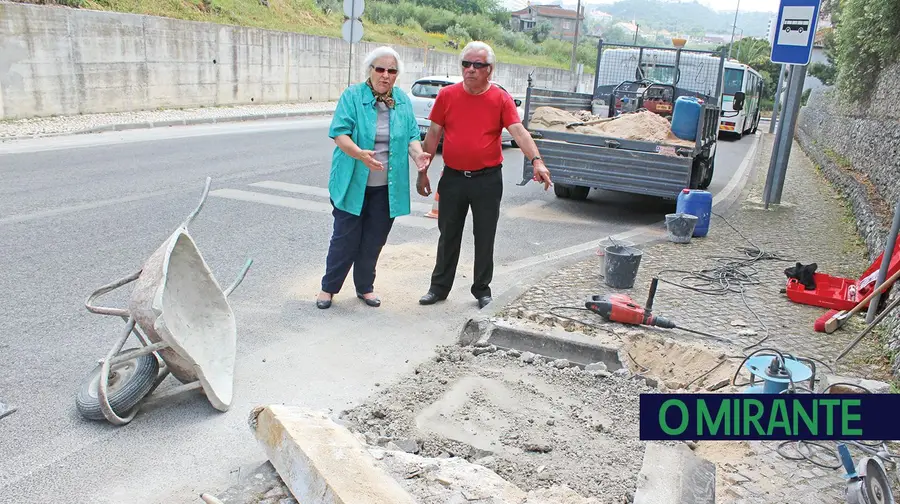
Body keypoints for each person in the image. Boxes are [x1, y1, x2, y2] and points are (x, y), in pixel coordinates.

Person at [416, 41, 552, 309]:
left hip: (487, 180)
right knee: (448, 234)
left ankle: (481, 289)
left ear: (490, 69)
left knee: (485, 235)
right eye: (466, 64)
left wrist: (537, 161)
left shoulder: (500, 99)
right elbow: (433, 134)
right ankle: (439, 288)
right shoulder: (447, 95)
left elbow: (519, 132)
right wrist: (423, 172)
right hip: (453, 178)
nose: (470, 69)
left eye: (478, 65)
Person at [317, 46, 431, 309]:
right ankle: (328, 288)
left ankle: (365, 287)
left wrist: (418, 156)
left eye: (392, 71)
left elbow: (412, 136)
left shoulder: (401, 100)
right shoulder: (353, 96)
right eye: (380, 69)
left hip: (385, 188)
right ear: (369, 70)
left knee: (374, 239)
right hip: (352, 182)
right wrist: (359, 154)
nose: (386, 75)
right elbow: (339, 134)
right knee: (345, 239)